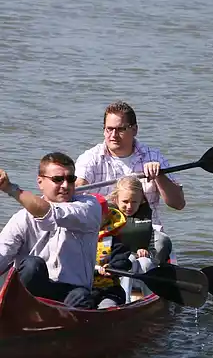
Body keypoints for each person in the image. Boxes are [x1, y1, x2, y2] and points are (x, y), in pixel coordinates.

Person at [74, 100, 183, 250]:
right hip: (103, 232)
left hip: (145, 234)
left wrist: (159, 176)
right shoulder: (90, 158)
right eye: (109, 129)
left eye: (121, 129)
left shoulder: (154, 157)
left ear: (135, 129)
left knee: (163, 243)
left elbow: (178, 203)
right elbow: (77, 188)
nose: (113, 135)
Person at [0, 153, 104, 308]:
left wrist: (9, 188)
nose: (65, 185)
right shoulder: (21, 218)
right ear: (40, 182)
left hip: (71, 291)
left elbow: (49, 213)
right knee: (32, 264)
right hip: (31, 290)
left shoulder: (89, 206)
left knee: (81, 297)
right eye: (57, 179)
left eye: (70, 179)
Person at [107, 176, 170, 269]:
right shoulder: (106, 217)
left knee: (162, 241)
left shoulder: (144, 216)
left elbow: (151, 245)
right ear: (115, 199)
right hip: (114, 260)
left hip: (139, 259)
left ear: (141, 201)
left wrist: (146, 251)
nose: (129, 206)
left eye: (134, 202)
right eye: (125, 201)